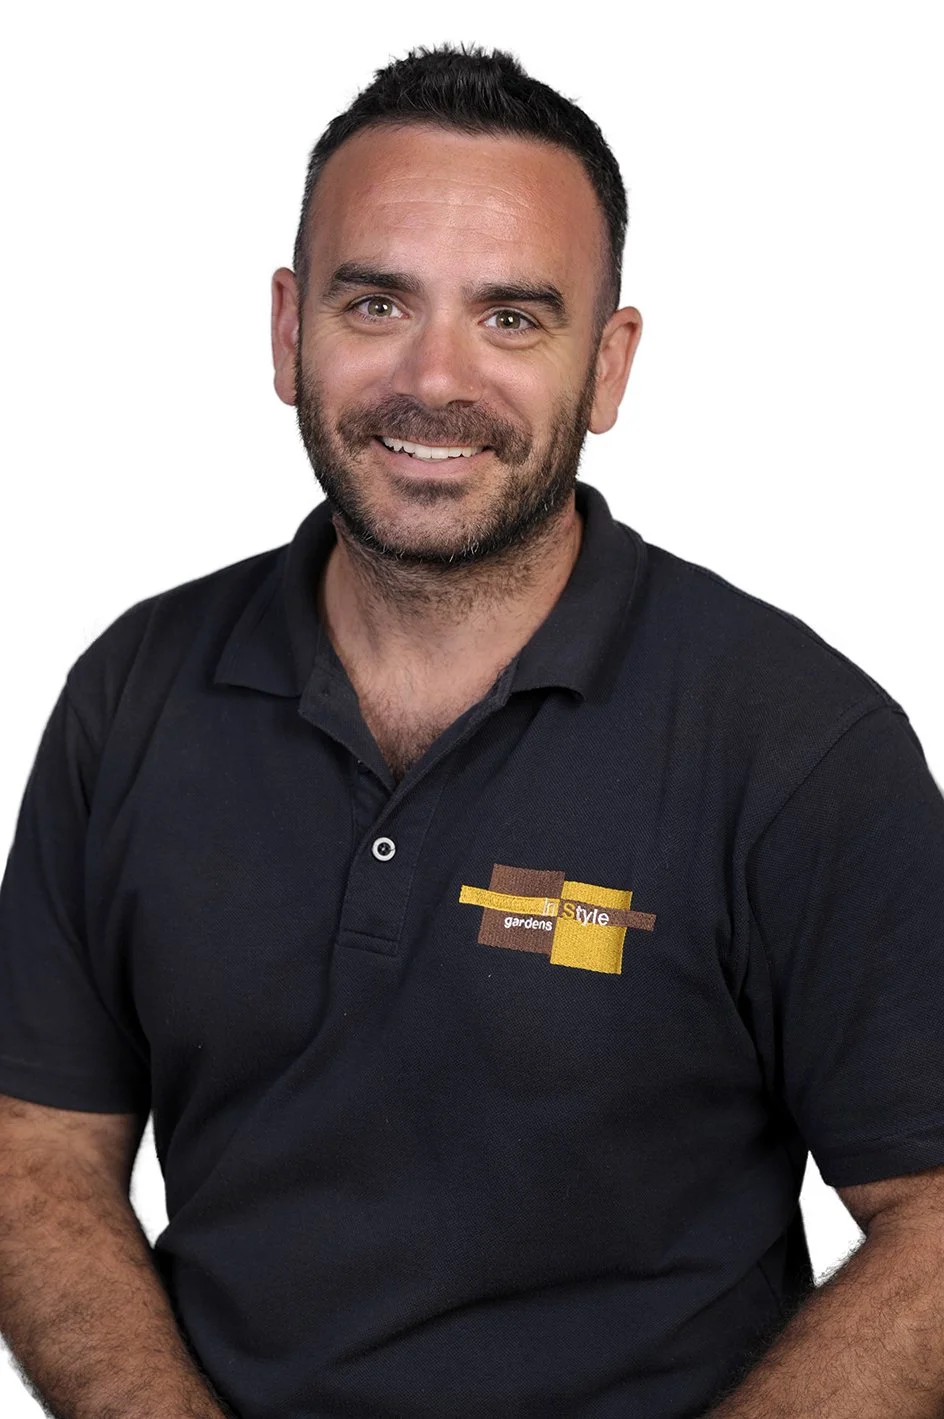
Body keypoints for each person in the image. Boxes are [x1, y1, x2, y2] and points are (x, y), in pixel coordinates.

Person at [2, 40, 944, 1419]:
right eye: (377, 301)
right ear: (287, 330)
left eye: (512, 318)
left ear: (608, 367)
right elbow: (36, 1150)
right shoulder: (133, 694)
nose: (432, 379)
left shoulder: (798, 745)